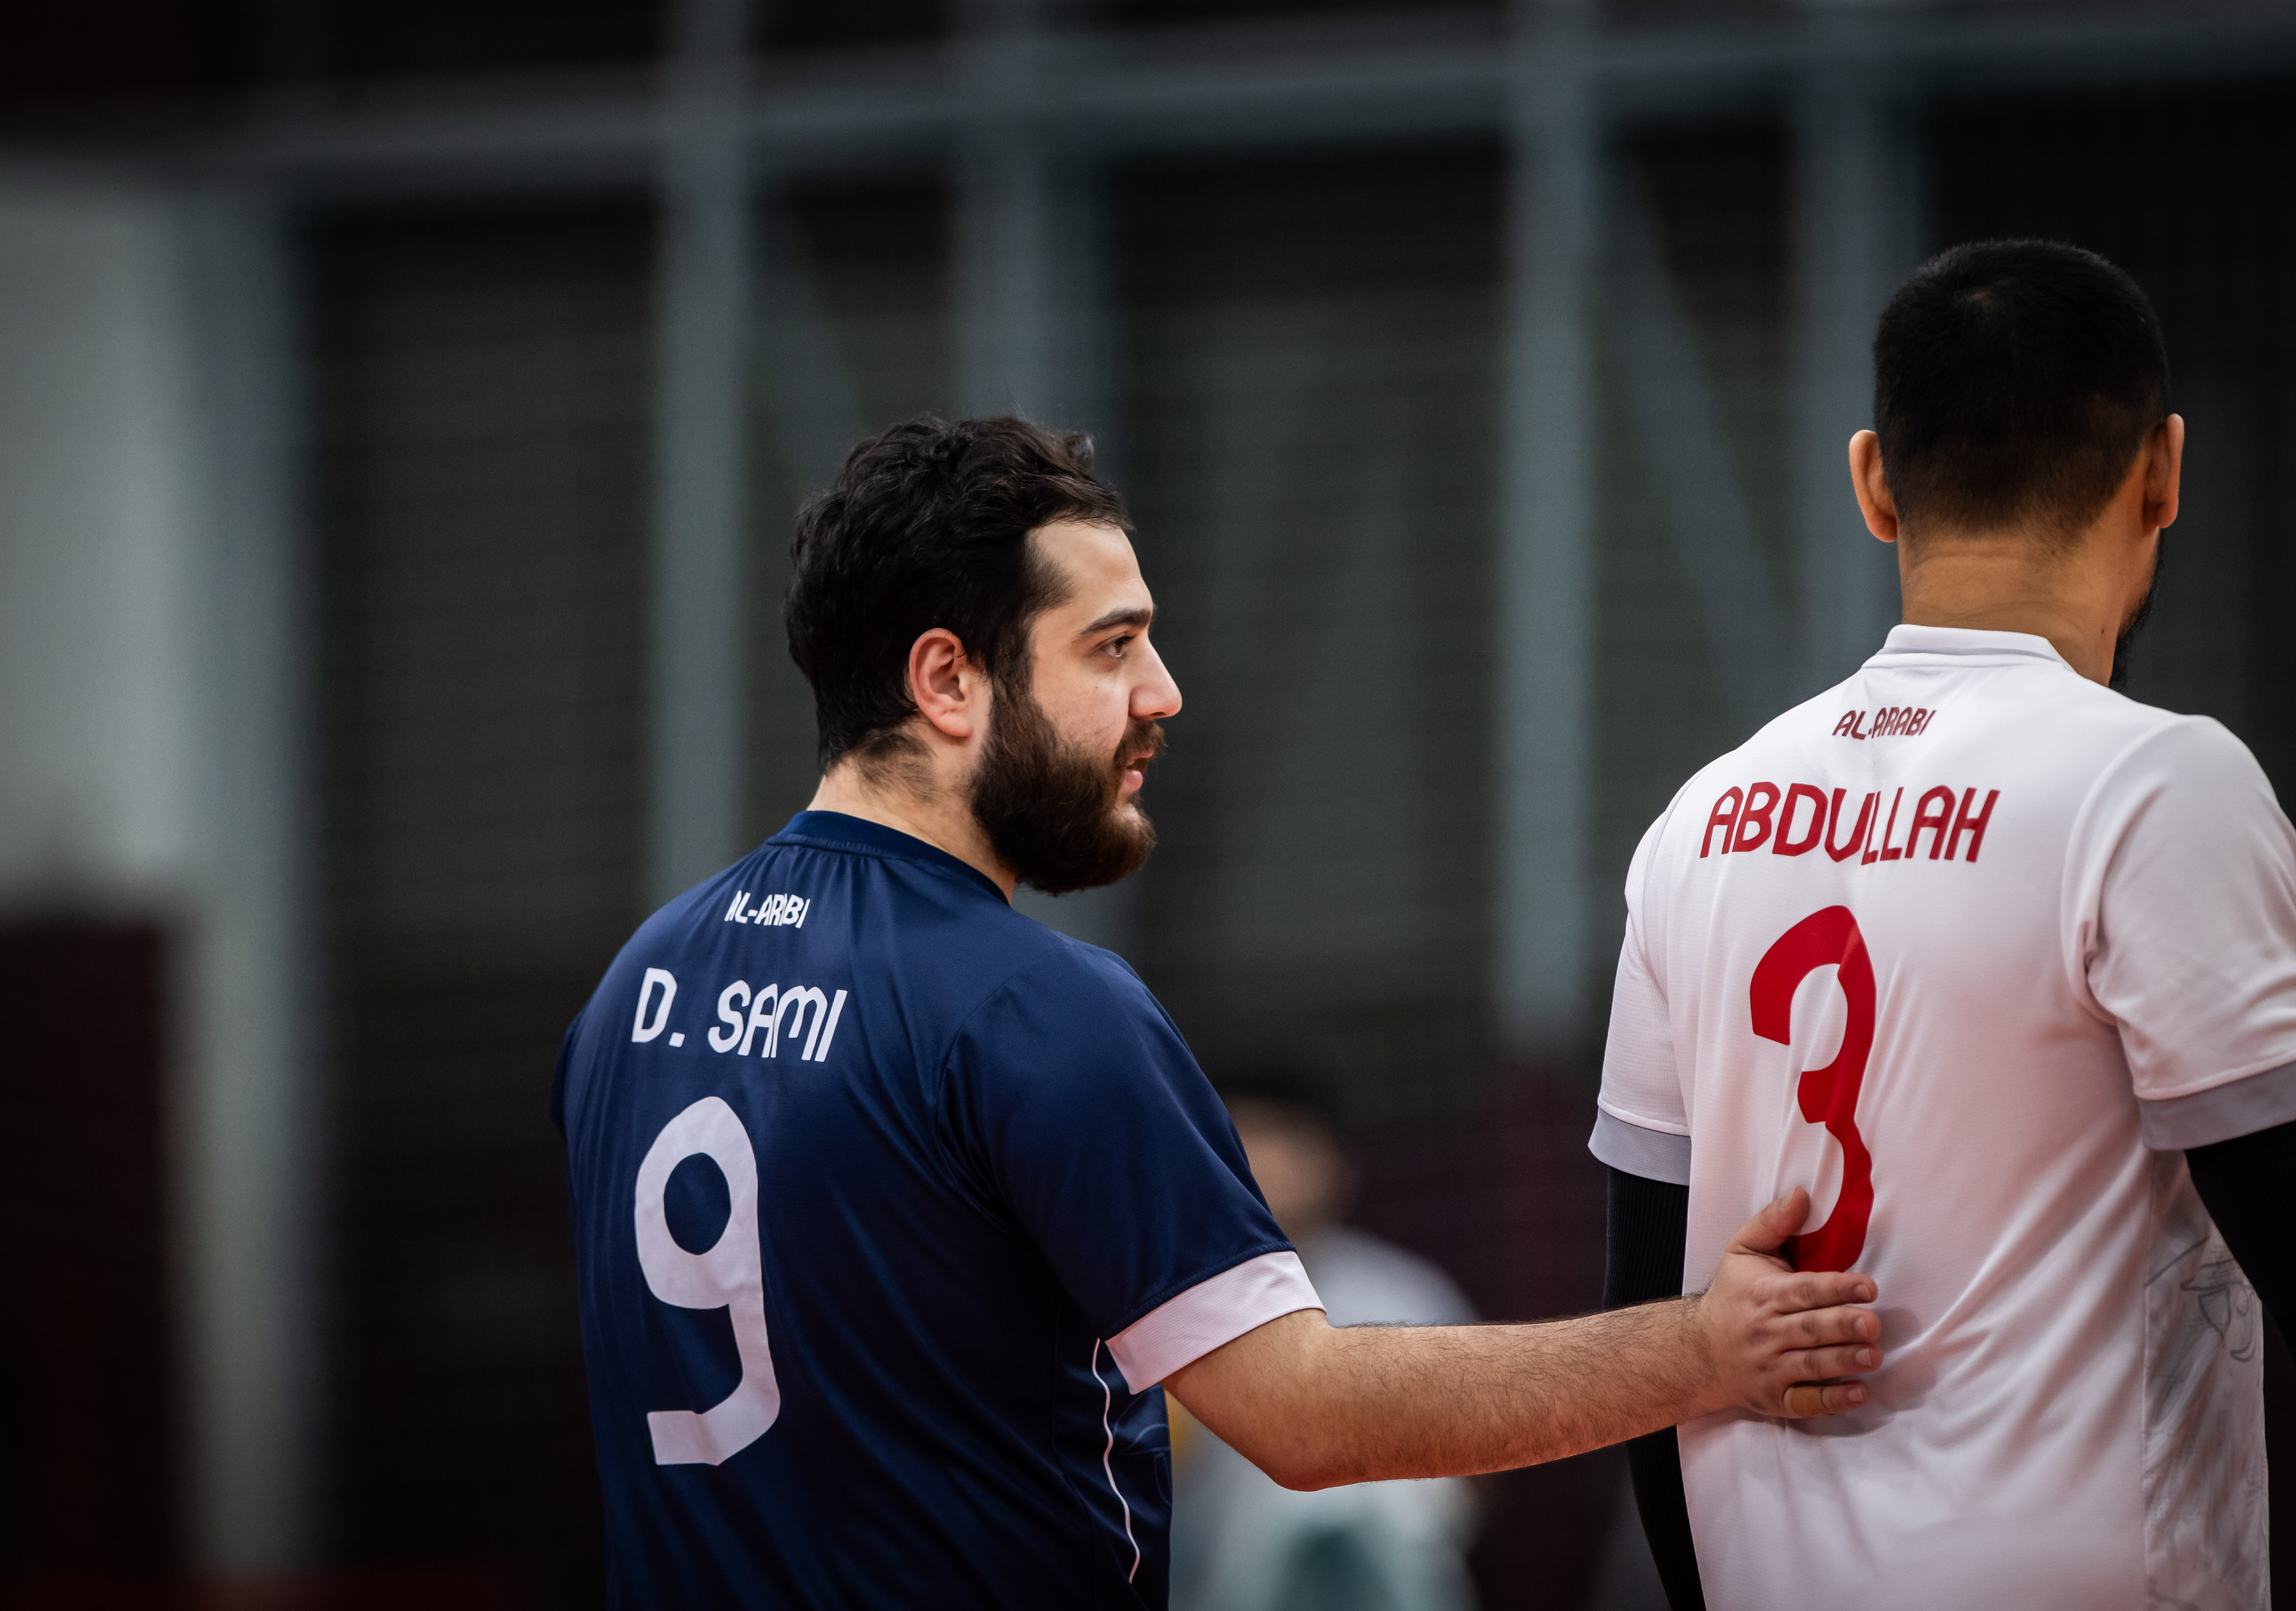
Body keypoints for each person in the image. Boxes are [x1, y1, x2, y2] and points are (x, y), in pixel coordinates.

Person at [556, 415, 1882, 1608]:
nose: (1162, 692)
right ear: (947, 681)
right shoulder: (1031, 1010)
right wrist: (1707, 1346)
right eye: (1111, 645)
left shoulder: (634, 988)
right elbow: (1306, 1418)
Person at [1591, 239, 2296, 1609]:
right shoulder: (2159, 783)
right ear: (2164, 471)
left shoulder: (1700, 818)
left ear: (1872, 484)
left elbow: (1647, 1328)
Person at [1171, 1073, 1479, 1611]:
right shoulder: (1158, 1308)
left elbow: (1474, 1490)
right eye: (1238, 1134)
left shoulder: (1407, 1294)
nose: (1262, 1159)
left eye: (1283, 1135)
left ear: (1337, 1162)